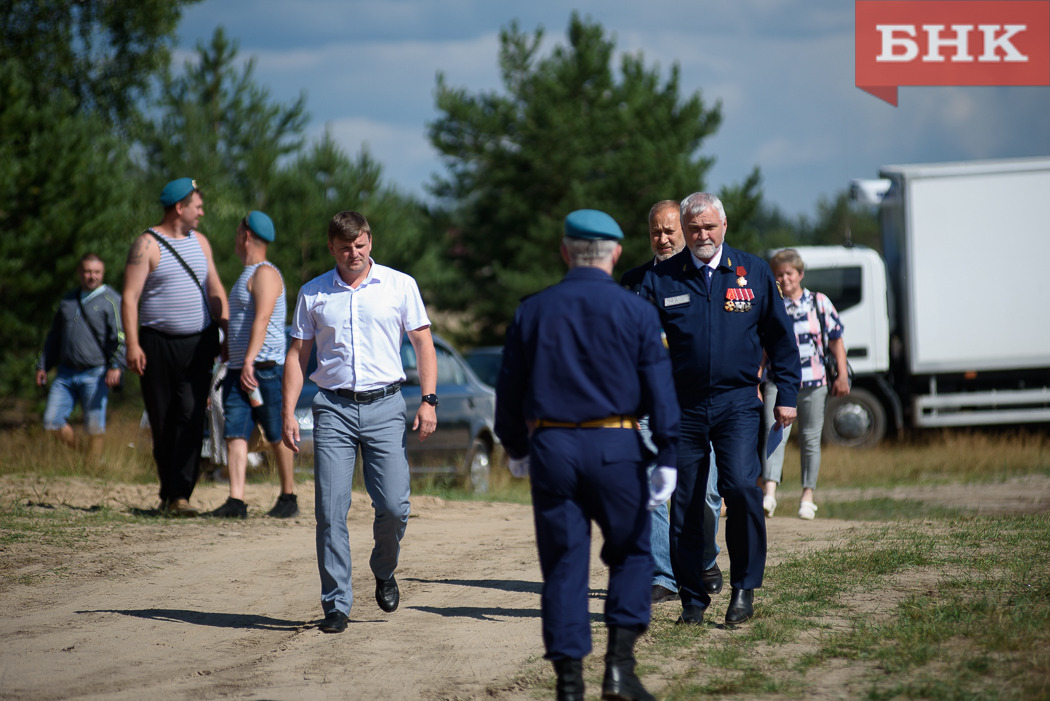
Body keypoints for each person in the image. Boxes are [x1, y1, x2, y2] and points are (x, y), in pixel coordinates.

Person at [496, 209, 680, 701]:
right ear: (617, 253)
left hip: (553, 447)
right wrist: (666, 455)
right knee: (633, 553)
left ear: (564, 251)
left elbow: (508, 391)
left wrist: (516, 447)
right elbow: (661, 392)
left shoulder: (532, 310)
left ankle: (569, 685)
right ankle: (619, 668)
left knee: (563, 565)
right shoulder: (637, 310)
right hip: (615, 445)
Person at [640, 192, 801, 626]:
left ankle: (744, 590)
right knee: (687, 501)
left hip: (736, 404)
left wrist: (787, 393)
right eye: (694, 229)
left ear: (724, 226)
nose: (702, 235)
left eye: (709, 227)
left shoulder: (752, 272)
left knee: (742, 491)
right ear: (685, 232)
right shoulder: (663, 279)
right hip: (682, 407)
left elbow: (781, 339)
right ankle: (692, 598)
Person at [282, 211, 438, 634]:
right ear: (331, 247)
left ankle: (384, 569)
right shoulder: (313, 294)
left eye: (361, 244)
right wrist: (287, 411)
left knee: (394, 506)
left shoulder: (399, 285)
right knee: (331, 511)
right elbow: (297, 355)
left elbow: (423, 341)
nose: (354, 253)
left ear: (370, 241)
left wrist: (428, 400)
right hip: (332, 408)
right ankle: (336, 603)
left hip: (387, 406)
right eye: (345, 246)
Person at [621, 200, 723, 605]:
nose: (662, 239)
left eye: (669, 232)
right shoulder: (632, 282)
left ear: (683, 229)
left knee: (709, 493)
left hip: (701, 401)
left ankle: (704, 559)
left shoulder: (707, 276)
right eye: (655, 233)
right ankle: (663, 574)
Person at [122, 178, 228, 517]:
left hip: (198, 345)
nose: (202, 212)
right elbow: (129, 297)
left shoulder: (201, 242)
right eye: (197, 205)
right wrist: (133, 345)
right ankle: (169, 491)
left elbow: (215, 290)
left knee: (191, 415)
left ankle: (182, 494)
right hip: (156, 344)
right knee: (163, 418)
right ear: (179, 207)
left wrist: (227, 333)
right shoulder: (147, 244)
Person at [209, 211, 298, 519]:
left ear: (246, 236)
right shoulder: (245, 275)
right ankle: (236, 500)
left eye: (237, 234)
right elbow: (243, 323)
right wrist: (228, 345)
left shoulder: (266, 274)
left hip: (263, 370)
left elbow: (262, 318)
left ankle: (289, 495)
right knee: (235, 432)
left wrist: (247, 360)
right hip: (239, 369)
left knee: (275, 433)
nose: (235, 239)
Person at [760, 249, 849, 520]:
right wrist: (757, 377)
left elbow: (836, 341)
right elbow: (763, 348)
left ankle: (807, 498)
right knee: (774, 433)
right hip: (778, 381)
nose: (785, 278)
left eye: (789, 273)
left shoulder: (819, 303)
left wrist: (842, 375)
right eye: (779, 274)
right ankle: (770, 494)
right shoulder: (771, 304)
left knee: (811, 438)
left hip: (815, 381)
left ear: (800, 274)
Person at [36, 253, 125, 461]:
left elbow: (122, 336)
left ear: (103, 273)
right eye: (87, 271)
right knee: (51, 421)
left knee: (94, 424)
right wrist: (42, 365)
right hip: (65, 372)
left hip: (96, 372)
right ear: (79, 272)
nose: (92, 276)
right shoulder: (68, 300)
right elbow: (54, 337)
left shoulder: (111, 300)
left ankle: (94, 470)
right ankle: (86, 454)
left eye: (96, 272)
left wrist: (116, 365)